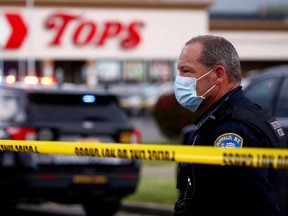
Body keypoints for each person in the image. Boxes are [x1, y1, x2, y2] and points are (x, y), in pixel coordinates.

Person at [173, 35, 288, 216]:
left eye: (186, 71)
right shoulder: (228, 118)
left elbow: (253, 203)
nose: (179, 80)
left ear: (218, 75)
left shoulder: (233, 131)